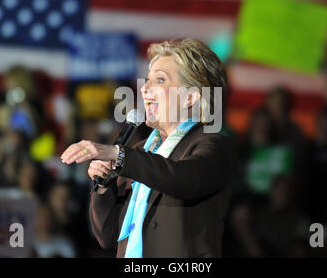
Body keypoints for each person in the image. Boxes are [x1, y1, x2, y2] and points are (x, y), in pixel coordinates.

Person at [60, 38, 237, 258]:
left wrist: (117, 154)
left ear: (190, 97)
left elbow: (184, 179)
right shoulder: (141, 150)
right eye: (148, 80)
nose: (144, 89)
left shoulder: (214, 145)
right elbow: (108, 235)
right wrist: (104, 187)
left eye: (160, 80)